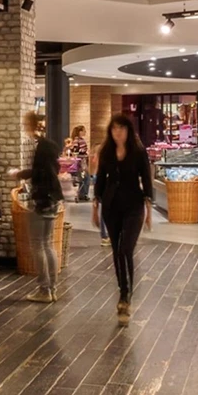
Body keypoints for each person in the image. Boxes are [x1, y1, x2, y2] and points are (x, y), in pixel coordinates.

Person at [92, 114, 153, 326]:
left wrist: (149, 209)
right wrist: (95, 206)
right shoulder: (106, 152)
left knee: (126, 248)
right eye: (114, 128)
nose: (118, 132)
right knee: (116, 250)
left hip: (133, 205)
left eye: (122, 128)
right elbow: (100, 179)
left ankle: (127, 295)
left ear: (128, 130)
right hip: (111, 207)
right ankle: (122, 292)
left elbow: (146, 179)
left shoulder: (138, 152)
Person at [12, 112, 62, 303]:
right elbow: (53, 169)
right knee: (47, 244)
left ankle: (44, 290)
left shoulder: (39, 146)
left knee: (37, 244)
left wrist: (19, 173)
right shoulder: (50, 145)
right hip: (53, 197)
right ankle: (52, 288)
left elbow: (39, 172)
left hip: (42, 199)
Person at [70, 125, 92, 201]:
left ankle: (83, 194)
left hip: (83, 160)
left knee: (84, 178)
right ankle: (83, 194)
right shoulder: (77, 140)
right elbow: (75, 150)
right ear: (80, 132)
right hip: (81, 161)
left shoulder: (80, 139)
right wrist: (84, 152)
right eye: (84, 130)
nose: (85, 132)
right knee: (85, 177)